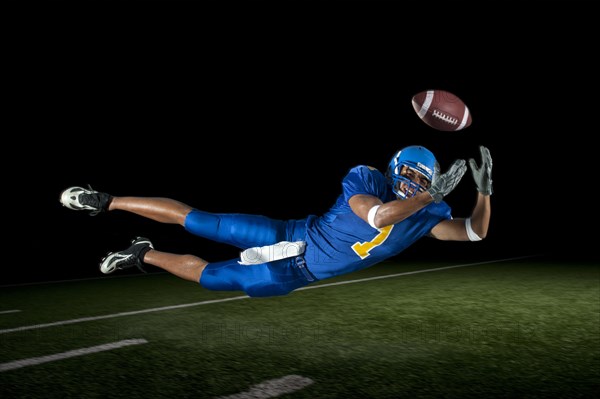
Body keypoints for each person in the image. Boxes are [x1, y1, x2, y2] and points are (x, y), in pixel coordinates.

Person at [59, 145, 492, 298]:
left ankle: (143, 254)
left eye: (424, 180)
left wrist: (485, 193)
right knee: (200, 220)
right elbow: (377, 216)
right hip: (291, 233)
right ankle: (107, 201)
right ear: (395, 169)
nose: (415, 184)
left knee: (210, 278)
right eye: (412, 176)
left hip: (294, 273)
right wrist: (427, 196)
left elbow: (475, 232)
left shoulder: (427, 213)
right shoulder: (368, 179)